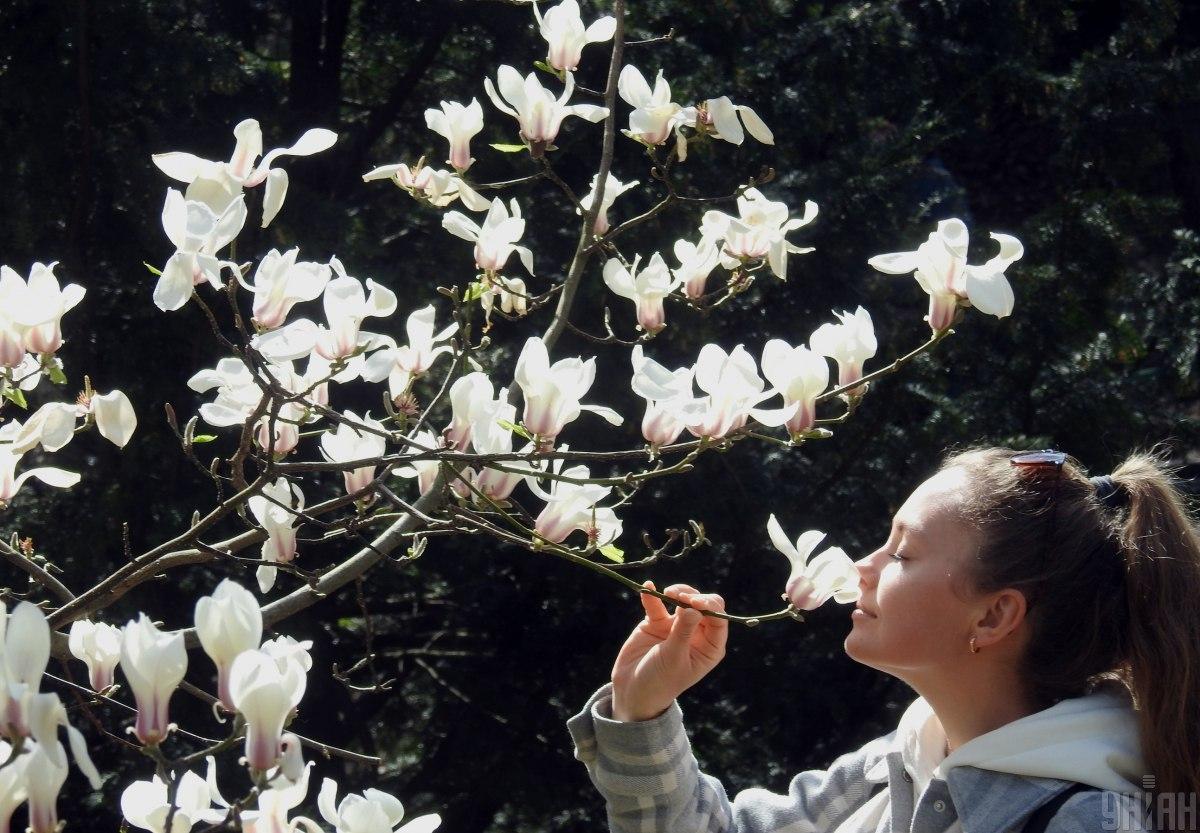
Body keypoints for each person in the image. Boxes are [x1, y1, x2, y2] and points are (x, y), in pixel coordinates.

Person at [567, 447, 1200, 832]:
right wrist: (642, 710)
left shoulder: (1085, 823)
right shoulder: (896, 764)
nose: (862, 566)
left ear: (992, 618)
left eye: (901, 552)